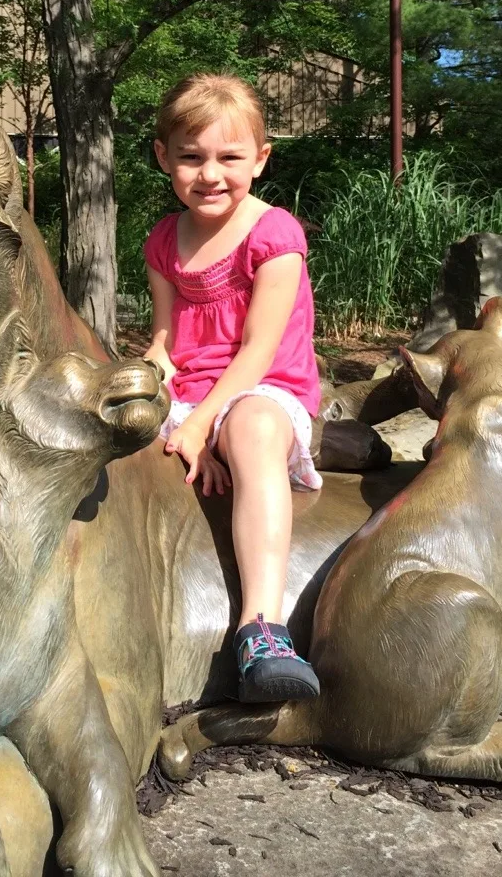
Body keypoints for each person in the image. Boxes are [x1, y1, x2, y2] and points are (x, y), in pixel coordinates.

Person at [143, 72, 322, 703]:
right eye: (190, 157)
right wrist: (158, 377)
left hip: (261, 386)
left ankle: (262, 628)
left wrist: (202, 426)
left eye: (229, 157)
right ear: (165, 157)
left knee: (250, 428)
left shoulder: (274, 236)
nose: (209, 174)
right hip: (193, 393)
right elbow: (164, 339)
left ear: (261, 159)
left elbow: (257, 351)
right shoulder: (164, 240)